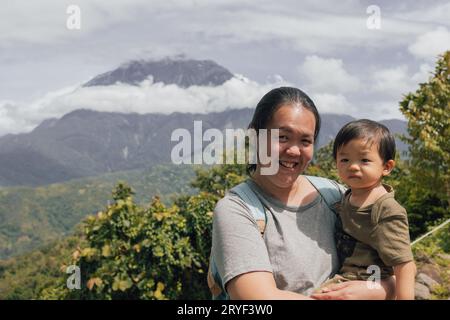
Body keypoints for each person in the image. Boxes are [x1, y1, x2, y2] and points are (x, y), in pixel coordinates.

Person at [209, 87, 395, 300]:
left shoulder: (336, 196)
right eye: (283, 137)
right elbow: (256, 297)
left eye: (305, 141)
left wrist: (371, 290)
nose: (294, 151)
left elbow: (395, 271)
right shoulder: (237, 210)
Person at [319, 119, 416, 299]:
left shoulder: (385, 209)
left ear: (386, 167)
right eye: (345, 159)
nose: (353, 166)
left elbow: (405, 265)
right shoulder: (347, 196)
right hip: (345, 277)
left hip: (368, 281)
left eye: (364, 160)